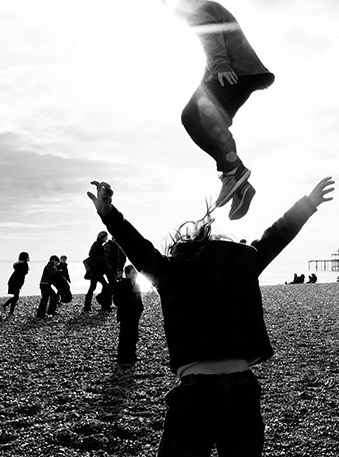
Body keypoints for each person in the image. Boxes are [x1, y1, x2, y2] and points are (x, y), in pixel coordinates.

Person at [87, 176, 334, 457]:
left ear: (186, 245)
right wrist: (309, 203)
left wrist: (108, 214)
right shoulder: (244, 263)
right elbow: (277, 235)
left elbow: (138, 247)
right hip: (243, 386)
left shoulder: (171, 271)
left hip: (196, 389)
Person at [161, 0, 275, 219]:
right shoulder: (202, 6)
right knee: (214, 123)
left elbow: (211, 33)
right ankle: (240, 183)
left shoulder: (198, 8)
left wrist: (221, 65)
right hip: (244, 74)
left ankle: (232, 171)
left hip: (236, 73)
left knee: (191, 115)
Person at [113, 264, 144, 364]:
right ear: (127, 274)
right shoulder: (121, 284)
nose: (135, 274)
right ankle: (123, 357)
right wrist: (125, 306)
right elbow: (116, 300)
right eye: (133, 272)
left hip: (135, 313)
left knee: (134, 335)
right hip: (126, 314)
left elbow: (139, 298)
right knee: (125, 335)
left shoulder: (137, 284)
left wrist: (140, 308)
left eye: (136, 272)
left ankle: (132, 354)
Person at [83, 231, 112, 312]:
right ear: (102, 237)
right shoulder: (97, 245)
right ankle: (99, 299)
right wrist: (102, 262)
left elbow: (92, 255)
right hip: (96, 271)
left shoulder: (97, 244)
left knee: (92, 287)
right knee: (105, 285)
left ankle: (87, 306)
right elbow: (95, 256)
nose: (106, 239)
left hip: (95, 270)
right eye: (106, 237)